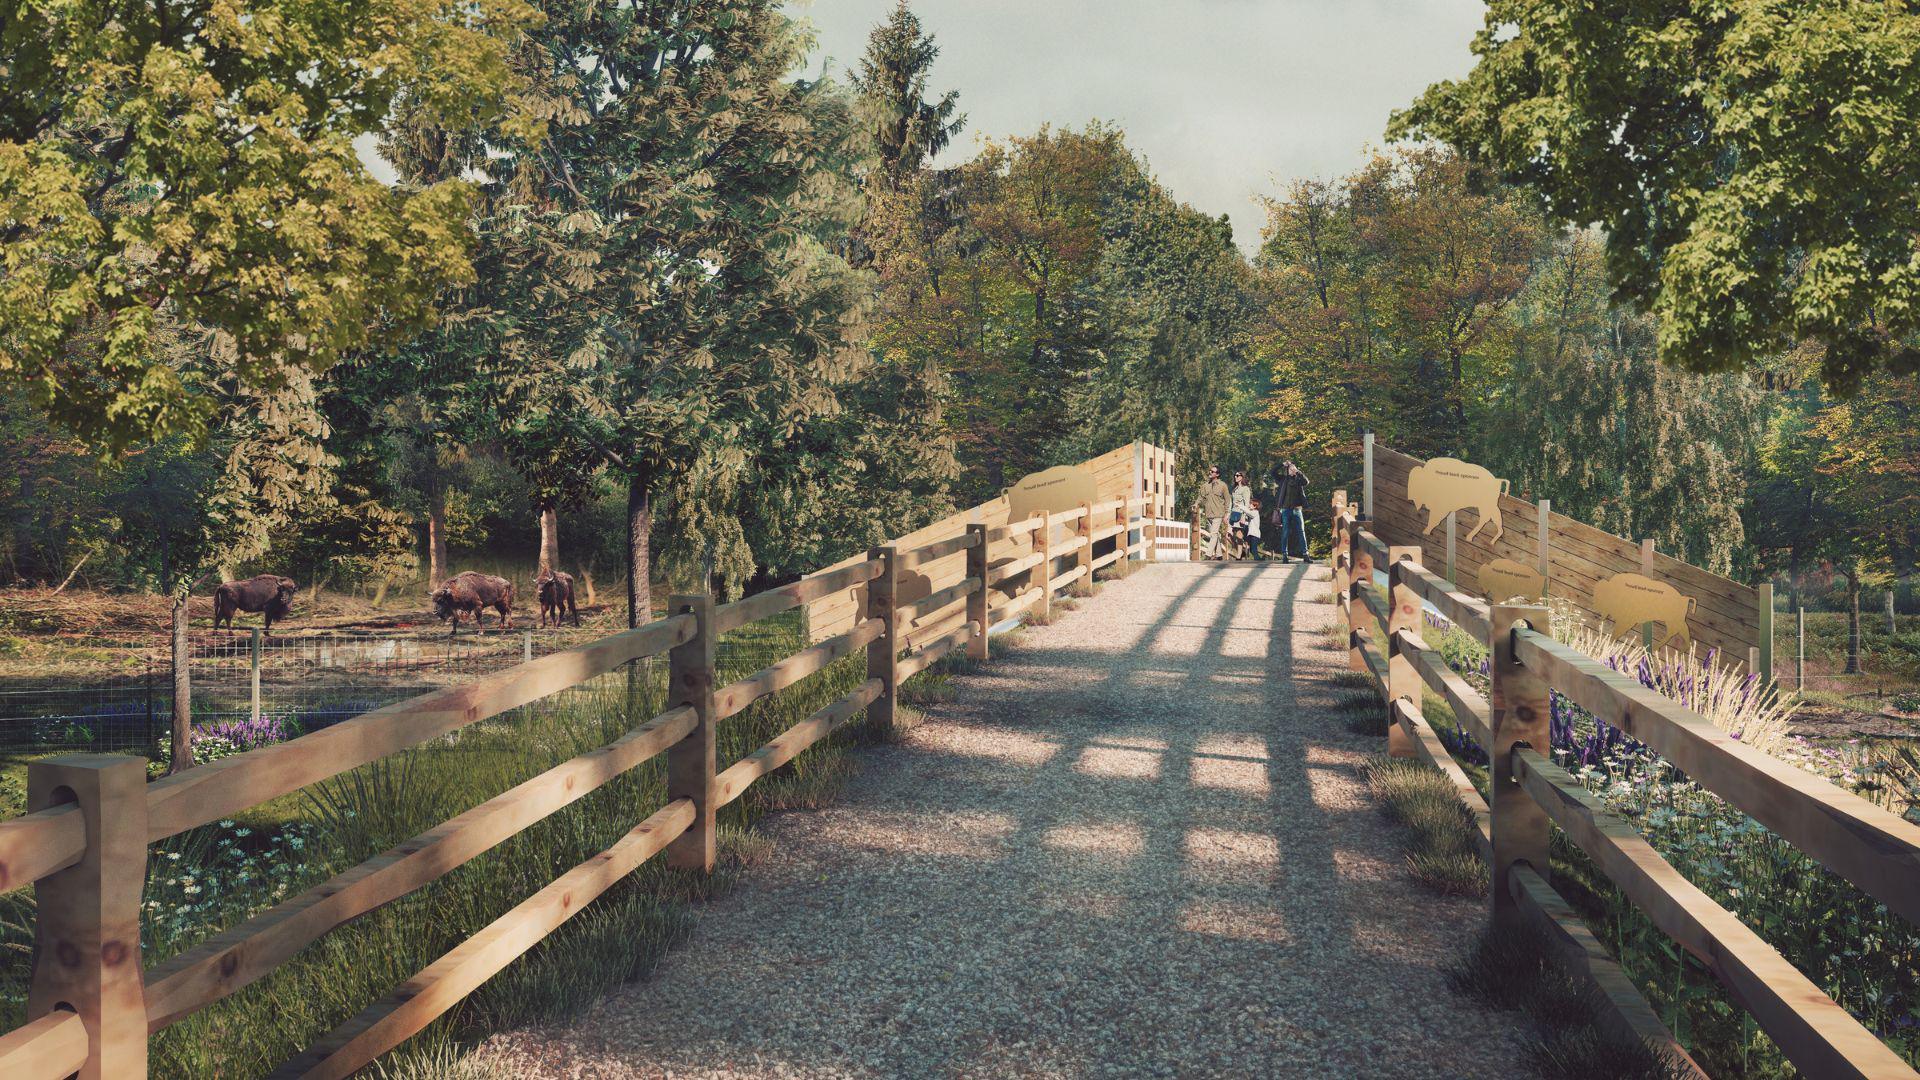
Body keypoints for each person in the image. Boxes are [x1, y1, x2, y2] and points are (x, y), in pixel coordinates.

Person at [1270, 459, 1310, 562]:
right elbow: (1272, 472)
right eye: (1290, 468)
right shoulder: (1282, 479)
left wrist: (1298, 471)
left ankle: (1305, 555)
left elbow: (1306, 482)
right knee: (1285, 532)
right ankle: (1284, 555)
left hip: (1297, 509)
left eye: (1293, 468)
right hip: (1285, 510)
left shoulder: (1299, 479)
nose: (1291, 470)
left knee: (1301, 531)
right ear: (1287, 470)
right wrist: (1282, 464)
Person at [1200, 464, 1231, 559]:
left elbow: (1228, 500)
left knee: (1213, 534)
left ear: (1217, 474)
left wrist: (1226, 514)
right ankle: (1219, 555)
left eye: (1212, 471)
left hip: (1218, 514)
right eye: (1210, 471)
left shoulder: (1223, 485)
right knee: (1215, 534)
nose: (1210, 472)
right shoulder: (1205, 485)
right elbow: (1200, 496)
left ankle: (1208, 554)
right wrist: (1195, 504)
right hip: (1209, 514)